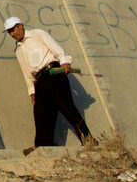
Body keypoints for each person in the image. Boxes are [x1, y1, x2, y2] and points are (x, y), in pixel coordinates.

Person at [6, 16, 95, 152]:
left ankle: (88, 139)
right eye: (9, 32)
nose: (12, 34)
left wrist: (64, 61)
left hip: (53, 73)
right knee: (40, 113)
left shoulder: (37, 34)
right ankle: (43, 145)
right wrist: (32, 91)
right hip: (39, 81)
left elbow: (56, 48)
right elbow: (26, 73)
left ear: (20, 26)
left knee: (66, 106)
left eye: (13, 30)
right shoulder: (18, 50)